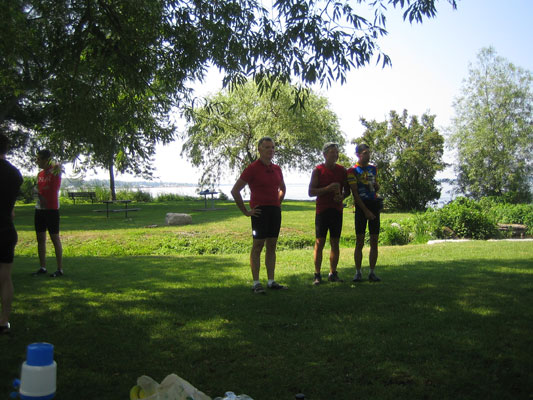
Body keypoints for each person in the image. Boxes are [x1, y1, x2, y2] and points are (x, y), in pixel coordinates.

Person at [231, 137, 288, 294]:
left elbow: (283, 188)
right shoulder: (252, 168)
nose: (271, 150)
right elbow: (235, 191)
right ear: (259, 149)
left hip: (274, 212)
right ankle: (256, 283)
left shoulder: (277, 169)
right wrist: (246, 211)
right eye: (267, 147)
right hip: (259, 212)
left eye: (272, 147)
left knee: (272, 246)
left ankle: (271, 281)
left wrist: (277, 202)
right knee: (258, 246)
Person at [308, 142, 350, 285]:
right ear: (325, 154)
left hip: (337, 211)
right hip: (322, 211)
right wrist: (328, 188)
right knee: (319, 242)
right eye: (332, 152)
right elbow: (311, 192)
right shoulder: (318, 170)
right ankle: (317, 275)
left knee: (335, 243)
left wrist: (342, 197)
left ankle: (333, 273)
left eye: (337, 152)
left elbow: (347, 191)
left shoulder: (342, 170)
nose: (335, 155)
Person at [347, 143, 382, 282]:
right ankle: (358, 272)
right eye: (365, 153)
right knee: (360, 241)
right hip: (361, 207)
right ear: (358, 154)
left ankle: (372, 272)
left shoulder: (373, 168)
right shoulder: (352, 171)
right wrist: (365, 211)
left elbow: (376, 188)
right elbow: (355, 194)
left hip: (374, 204)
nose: (368, 155)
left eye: (369, 153)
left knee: (374, 240)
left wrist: (376, 186)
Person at [0, 134, 23, 334]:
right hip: (6, 230)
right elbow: (11, 211)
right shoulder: (15, 174)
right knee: (5, 277)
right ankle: (4, 321)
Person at [32, 149, 64, 278]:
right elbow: (40, 190)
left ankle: (59, 269)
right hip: (39, 209)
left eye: (39, 159)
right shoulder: (40, 174)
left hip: (52, 209)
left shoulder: (55, 171)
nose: (37, 161)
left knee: (55, 238)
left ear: (46, 160)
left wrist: (54, 164)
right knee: (40, 239)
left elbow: (59, 166)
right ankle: (43, 267)